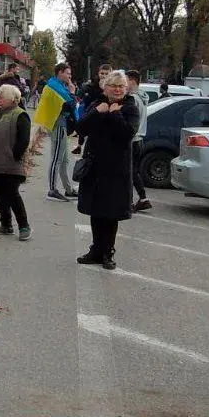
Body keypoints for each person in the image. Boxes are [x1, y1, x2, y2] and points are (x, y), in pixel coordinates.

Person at [75, 70, 140, 270]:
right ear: (106, 87)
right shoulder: (98, 103)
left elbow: (127, 134)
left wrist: (115, 114)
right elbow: (81, 128)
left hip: (117, 168)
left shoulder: (130, 108)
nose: (118, 89)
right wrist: (98, 112)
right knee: (96, 209)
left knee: (111, 212)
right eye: (114, 86)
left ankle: (108, 252)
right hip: (95, 166)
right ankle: (95, 249)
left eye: (121, 86)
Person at [0, 84, 32, 240]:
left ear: (11, 99)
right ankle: (6, 223)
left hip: (11, 164)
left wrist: (14, 156)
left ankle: (24, 225)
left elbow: (24, 139)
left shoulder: (20, 114)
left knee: (12, 194)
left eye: (1, 97)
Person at [45, 62, 79, 202]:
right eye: (67, 73)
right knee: (57, 159)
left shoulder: (58, 85)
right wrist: (72, 92)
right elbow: (69, 105)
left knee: (64, 159)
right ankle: (52, 189)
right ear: (59, 72)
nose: (69, 77)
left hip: (61, 124)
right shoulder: (55, 87)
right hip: (57, 124)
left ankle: (68, 188)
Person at [126, 70, 152, 212]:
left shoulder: (134, 99)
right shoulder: (142, 97)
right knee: (133, 171)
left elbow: (131, 121)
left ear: (133, 81)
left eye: (126, 81)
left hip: (133, 139)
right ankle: (143, 198)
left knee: (129, 171)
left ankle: (128, 202)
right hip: (139, 139)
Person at [73, 64, 111, 155]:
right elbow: (80, 96)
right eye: (102, 73)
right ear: (98, 73)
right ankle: (80, 146)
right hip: (91, 115)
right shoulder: (91, 86)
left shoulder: (113, 87)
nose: (104, 76)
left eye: (107, 74)